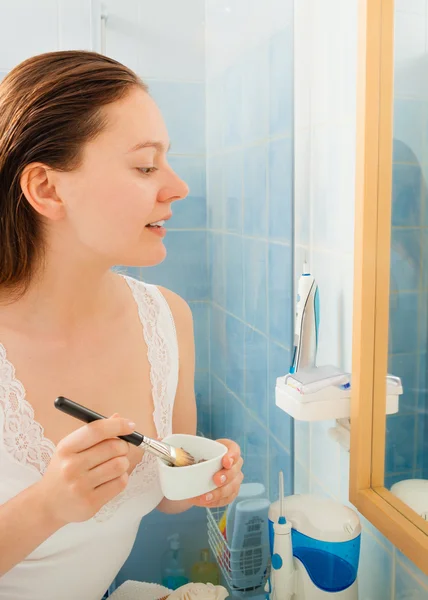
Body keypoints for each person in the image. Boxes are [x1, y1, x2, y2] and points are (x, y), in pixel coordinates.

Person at [0, 50, 243, 600]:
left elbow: (167, 496)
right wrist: (45, 506)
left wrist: (206, 476)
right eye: (145, 165)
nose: (177, 187)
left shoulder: (167, 319)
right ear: (47, 189)